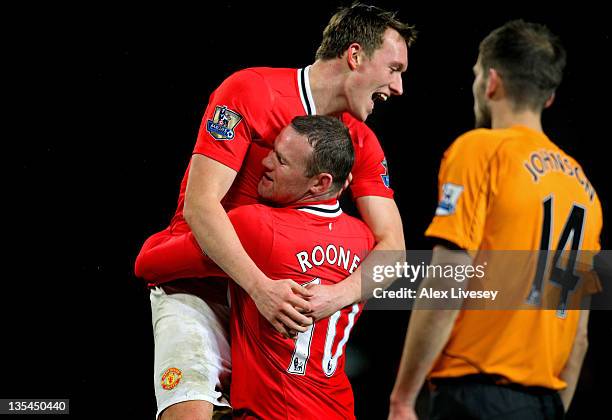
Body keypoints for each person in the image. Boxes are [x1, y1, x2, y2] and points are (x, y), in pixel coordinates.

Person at [135, 3, 416, 418]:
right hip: (201, 283)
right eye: (394, 68)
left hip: (273, 307)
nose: (398, 87)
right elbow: (200, 205)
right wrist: (260, 286)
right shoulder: (250, 91)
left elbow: (393, 247)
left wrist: (334, 295)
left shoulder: (360, 143)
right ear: (355, 56)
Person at [388, 20, 602, 420]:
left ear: (490, 82)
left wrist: (403, 396)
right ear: (548, 97)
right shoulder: (586, 192)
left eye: (474, 76)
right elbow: (580, 336)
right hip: (544, 402)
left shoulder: (479, 150)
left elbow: (449, 278)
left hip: (474, 397)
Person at [149, 115, 374, 419]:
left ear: (320, 182)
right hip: (340, 410)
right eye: (271, 150)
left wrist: (231, 266)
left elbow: (148, 263)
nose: (264, 162)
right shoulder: (366, 239)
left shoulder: (255, 225)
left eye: (281, 160)